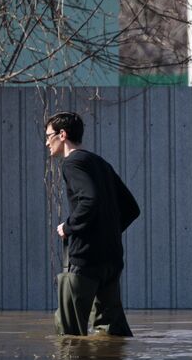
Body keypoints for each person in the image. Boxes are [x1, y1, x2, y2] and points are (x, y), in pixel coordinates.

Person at [44, 111, 140, 337]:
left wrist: (68, 226)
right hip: (111, 260)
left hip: (84, 260)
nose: (46, 142)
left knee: (69, 334)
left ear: (62, 134)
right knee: (111, 334)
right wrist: (107, 233)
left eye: (48, 136)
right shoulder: (100, 163)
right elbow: (132, 208)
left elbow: (89, 199)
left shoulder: (72, 163)